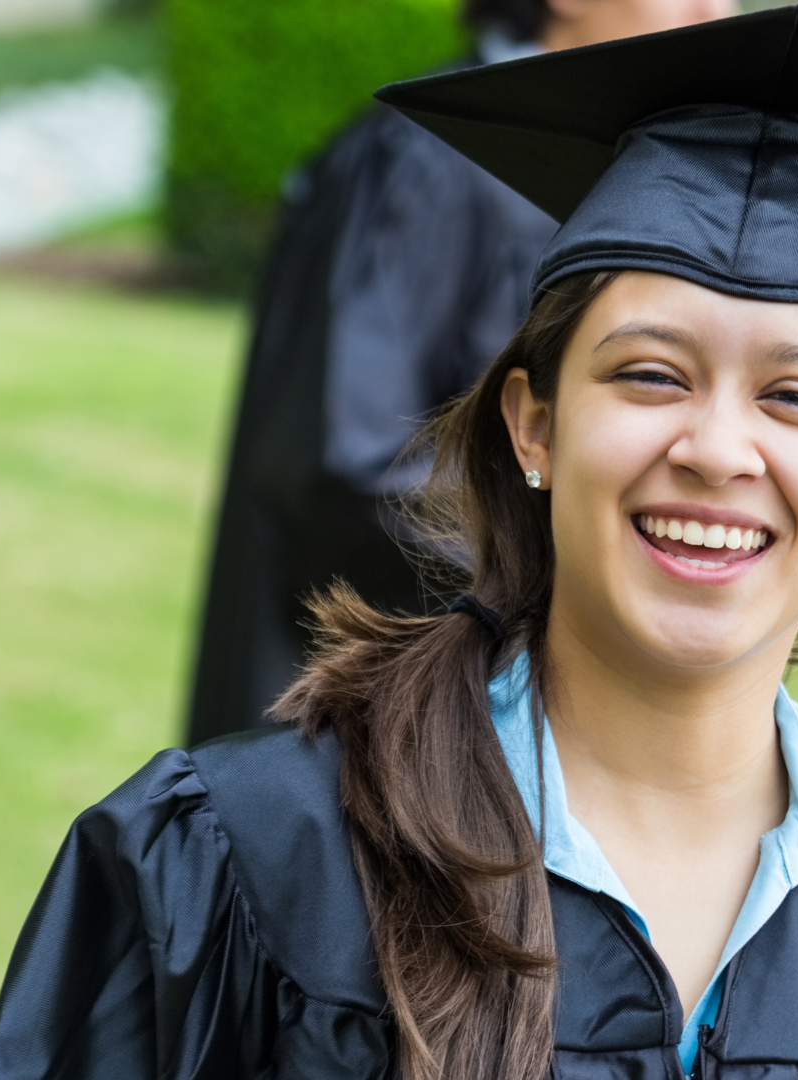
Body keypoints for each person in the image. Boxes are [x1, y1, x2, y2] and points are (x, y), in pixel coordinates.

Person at [0, 9, 798, 1080]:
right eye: (651, 374)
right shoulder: (243, 864)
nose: (718, 449)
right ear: (534, 423)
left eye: (797, 397)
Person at [186, 0, 733, 747]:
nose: (714, 11)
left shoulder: (593, 163)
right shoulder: (430, 157)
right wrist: (566, 574)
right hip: (382, 701)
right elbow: (357, 460)